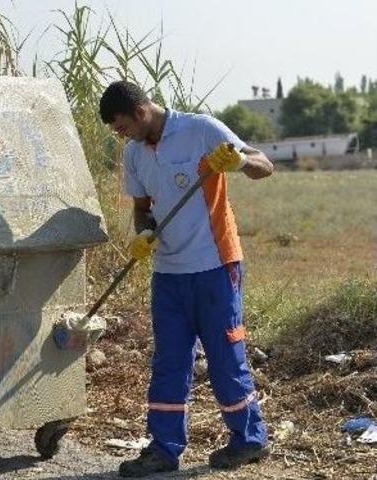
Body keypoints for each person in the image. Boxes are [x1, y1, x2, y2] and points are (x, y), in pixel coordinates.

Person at [98, 81, 274, 477]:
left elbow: (265, 165)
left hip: (215, 265)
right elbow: (142, 207)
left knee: (226, 357)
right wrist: (142, 234)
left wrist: (239, 163)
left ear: (141, 113)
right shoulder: (134, 153)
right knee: (169, 361)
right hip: (169, 273)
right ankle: (163, 449)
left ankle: (249, 440)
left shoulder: (201, 130)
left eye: (121, 126)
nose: (120, 135)